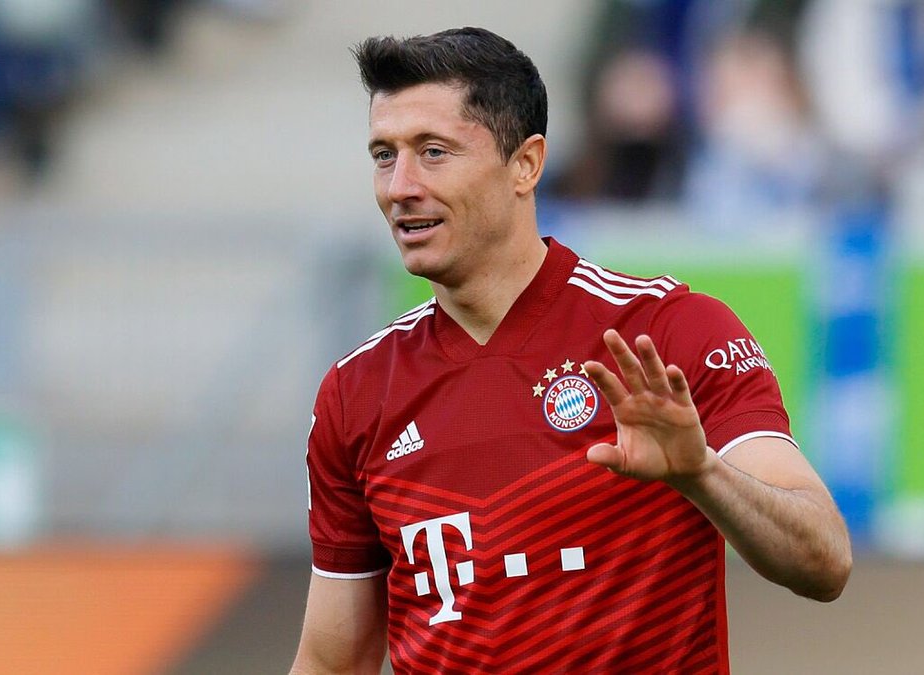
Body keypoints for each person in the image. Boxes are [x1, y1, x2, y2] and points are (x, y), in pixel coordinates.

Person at [290, 27, 851, 674]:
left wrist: (702, 473)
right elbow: (332, 660)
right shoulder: (358, 392)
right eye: (384, 155)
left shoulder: (668, 333)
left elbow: (824, 558)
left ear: (526, 164)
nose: (399, 186)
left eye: (433, 152)